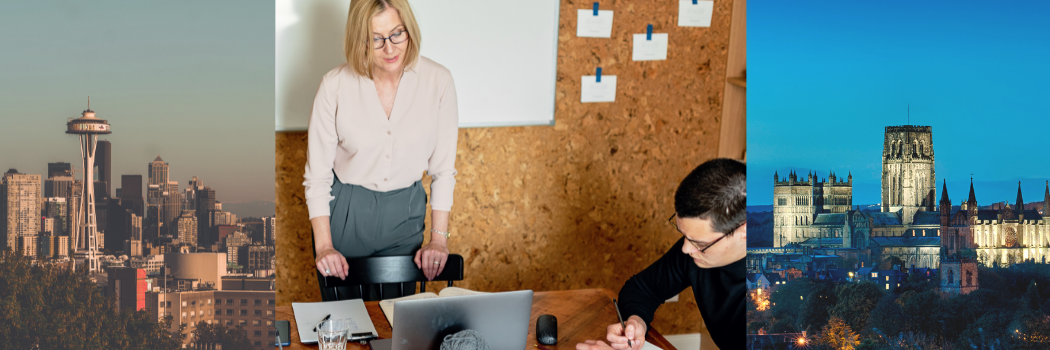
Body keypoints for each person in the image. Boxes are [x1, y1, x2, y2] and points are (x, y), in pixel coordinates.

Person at [303, 0, 459, 301]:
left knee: (397, 326)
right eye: (376, 38)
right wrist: (324, 246)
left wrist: (438, 239)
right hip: (346, 212)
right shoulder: (334, 86)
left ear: (409, 29)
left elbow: (442, 172)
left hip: (405, 213)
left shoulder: (438, 81)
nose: (389, 48)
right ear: (359, 39)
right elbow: (318, 179)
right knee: (346, 323)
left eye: (397, 33)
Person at [577, 158, 746, 350]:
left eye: (699, 243)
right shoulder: (697, 250)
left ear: (745, 232)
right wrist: (636, 321)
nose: (685, 249)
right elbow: (642, 288)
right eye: (684, 235)